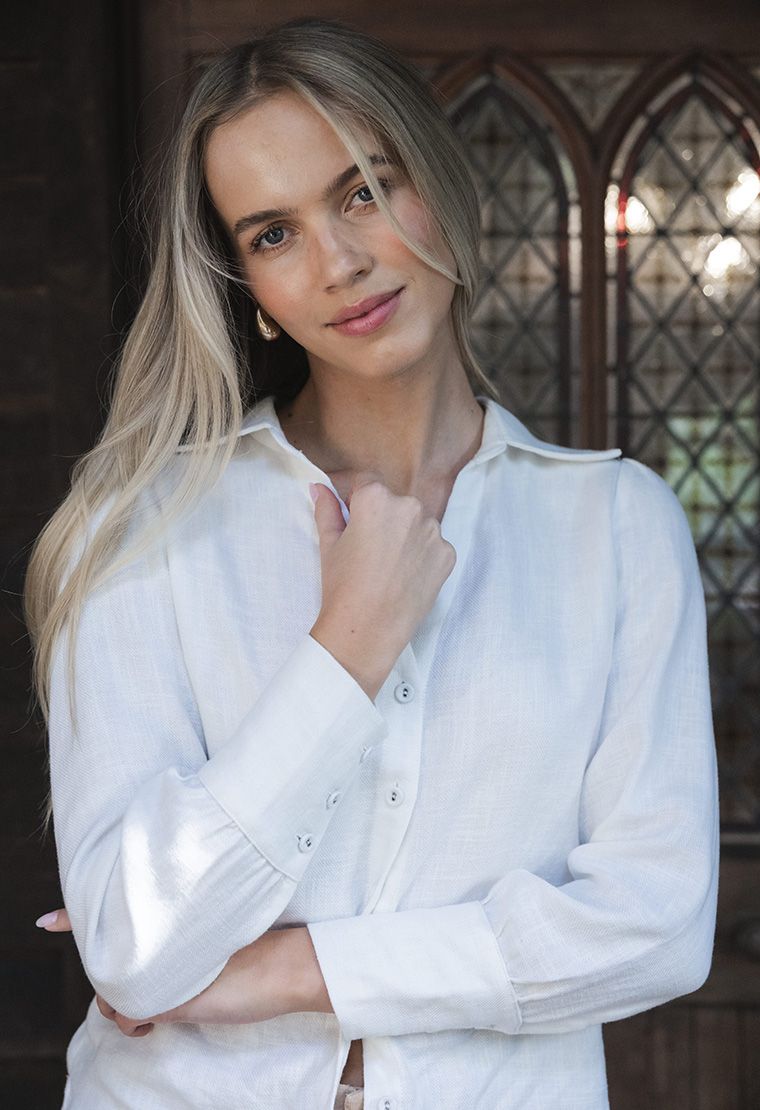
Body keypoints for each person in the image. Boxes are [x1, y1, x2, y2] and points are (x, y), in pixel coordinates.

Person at [25, 16, 719, 1110]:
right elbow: (134, 948)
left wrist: (270, 975)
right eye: (271, 233)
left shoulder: (618, 527)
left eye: (361, 190)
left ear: (439, 186)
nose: (339, 263)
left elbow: (656, 926)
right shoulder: (139, 528)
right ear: (247, 287)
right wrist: (345, 649)